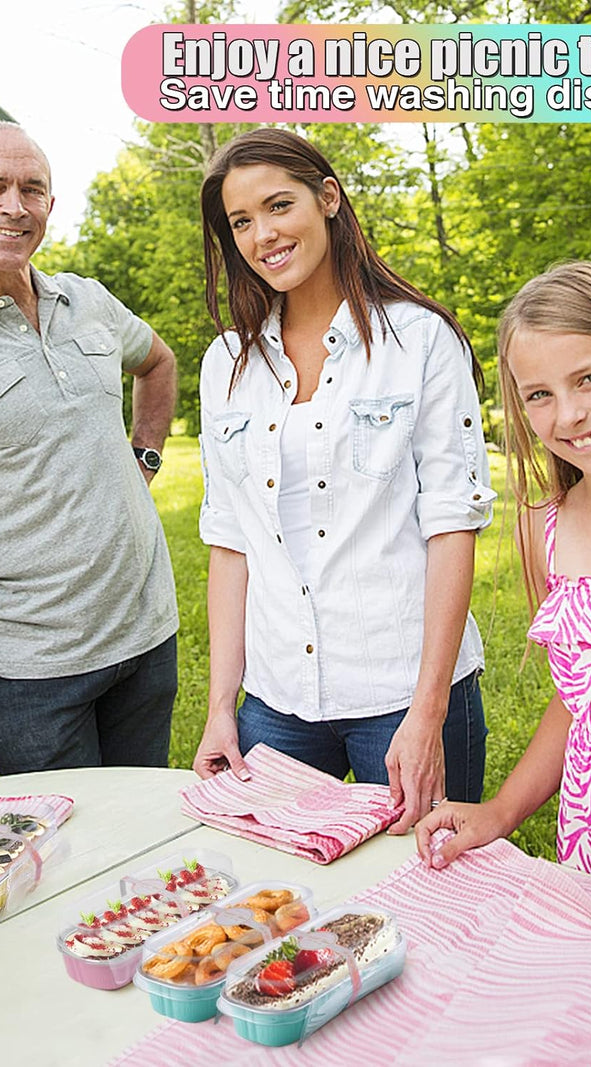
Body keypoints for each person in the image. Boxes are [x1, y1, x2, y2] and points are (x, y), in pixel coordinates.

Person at [192, 128, 494, 834]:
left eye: (278, 205)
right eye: (241, 221)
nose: (263, 234)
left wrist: (428, 714)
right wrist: (219, 709)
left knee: (427, 905)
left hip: (403, 691)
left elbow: (452, 526)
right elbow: (230, 543)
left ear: (327, 198)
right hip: (276, 701)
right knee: (277, 913)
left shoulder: (418, 341)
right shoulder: (226, 363)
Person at [416, 261, 591, 950]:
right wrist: (500, 811)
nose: (569, 415)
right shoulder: (544, 524)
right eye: (539, 394)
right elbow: (582, 698)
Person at [0, 122, 179, 774]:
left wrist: (145, 458)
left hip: (148, 640)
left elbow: (158, 361)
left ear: (49, 208)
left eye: (32, 189)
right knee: (60, 861)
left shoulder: (85, 301)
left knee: (144, 840)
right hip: (35, 675)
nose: (13, 206)